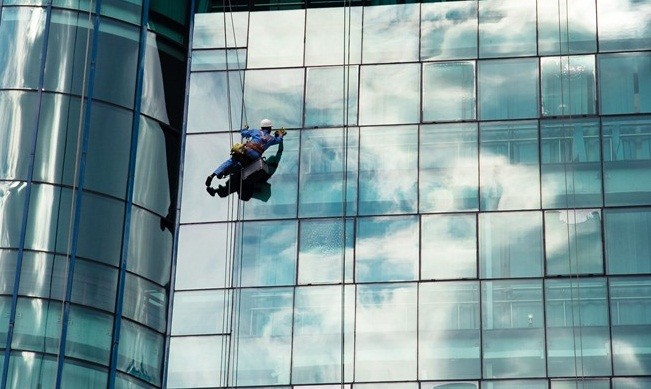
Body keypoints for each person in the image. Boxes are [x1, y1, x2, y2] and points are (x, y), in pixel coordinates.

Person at [205, 119, 285, 189]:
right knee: (241, 166)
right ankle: (225, 173)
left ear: (262, 127)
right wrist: (280, 134)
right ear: (269, 128)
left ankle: (213, 175)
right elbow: (279, 140)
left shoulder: (256, 131)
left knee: (231, 161)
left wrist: (245, 128)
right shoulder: (271, 138)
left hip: (246, 150)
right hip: (255, 156)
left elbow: (243, 133)